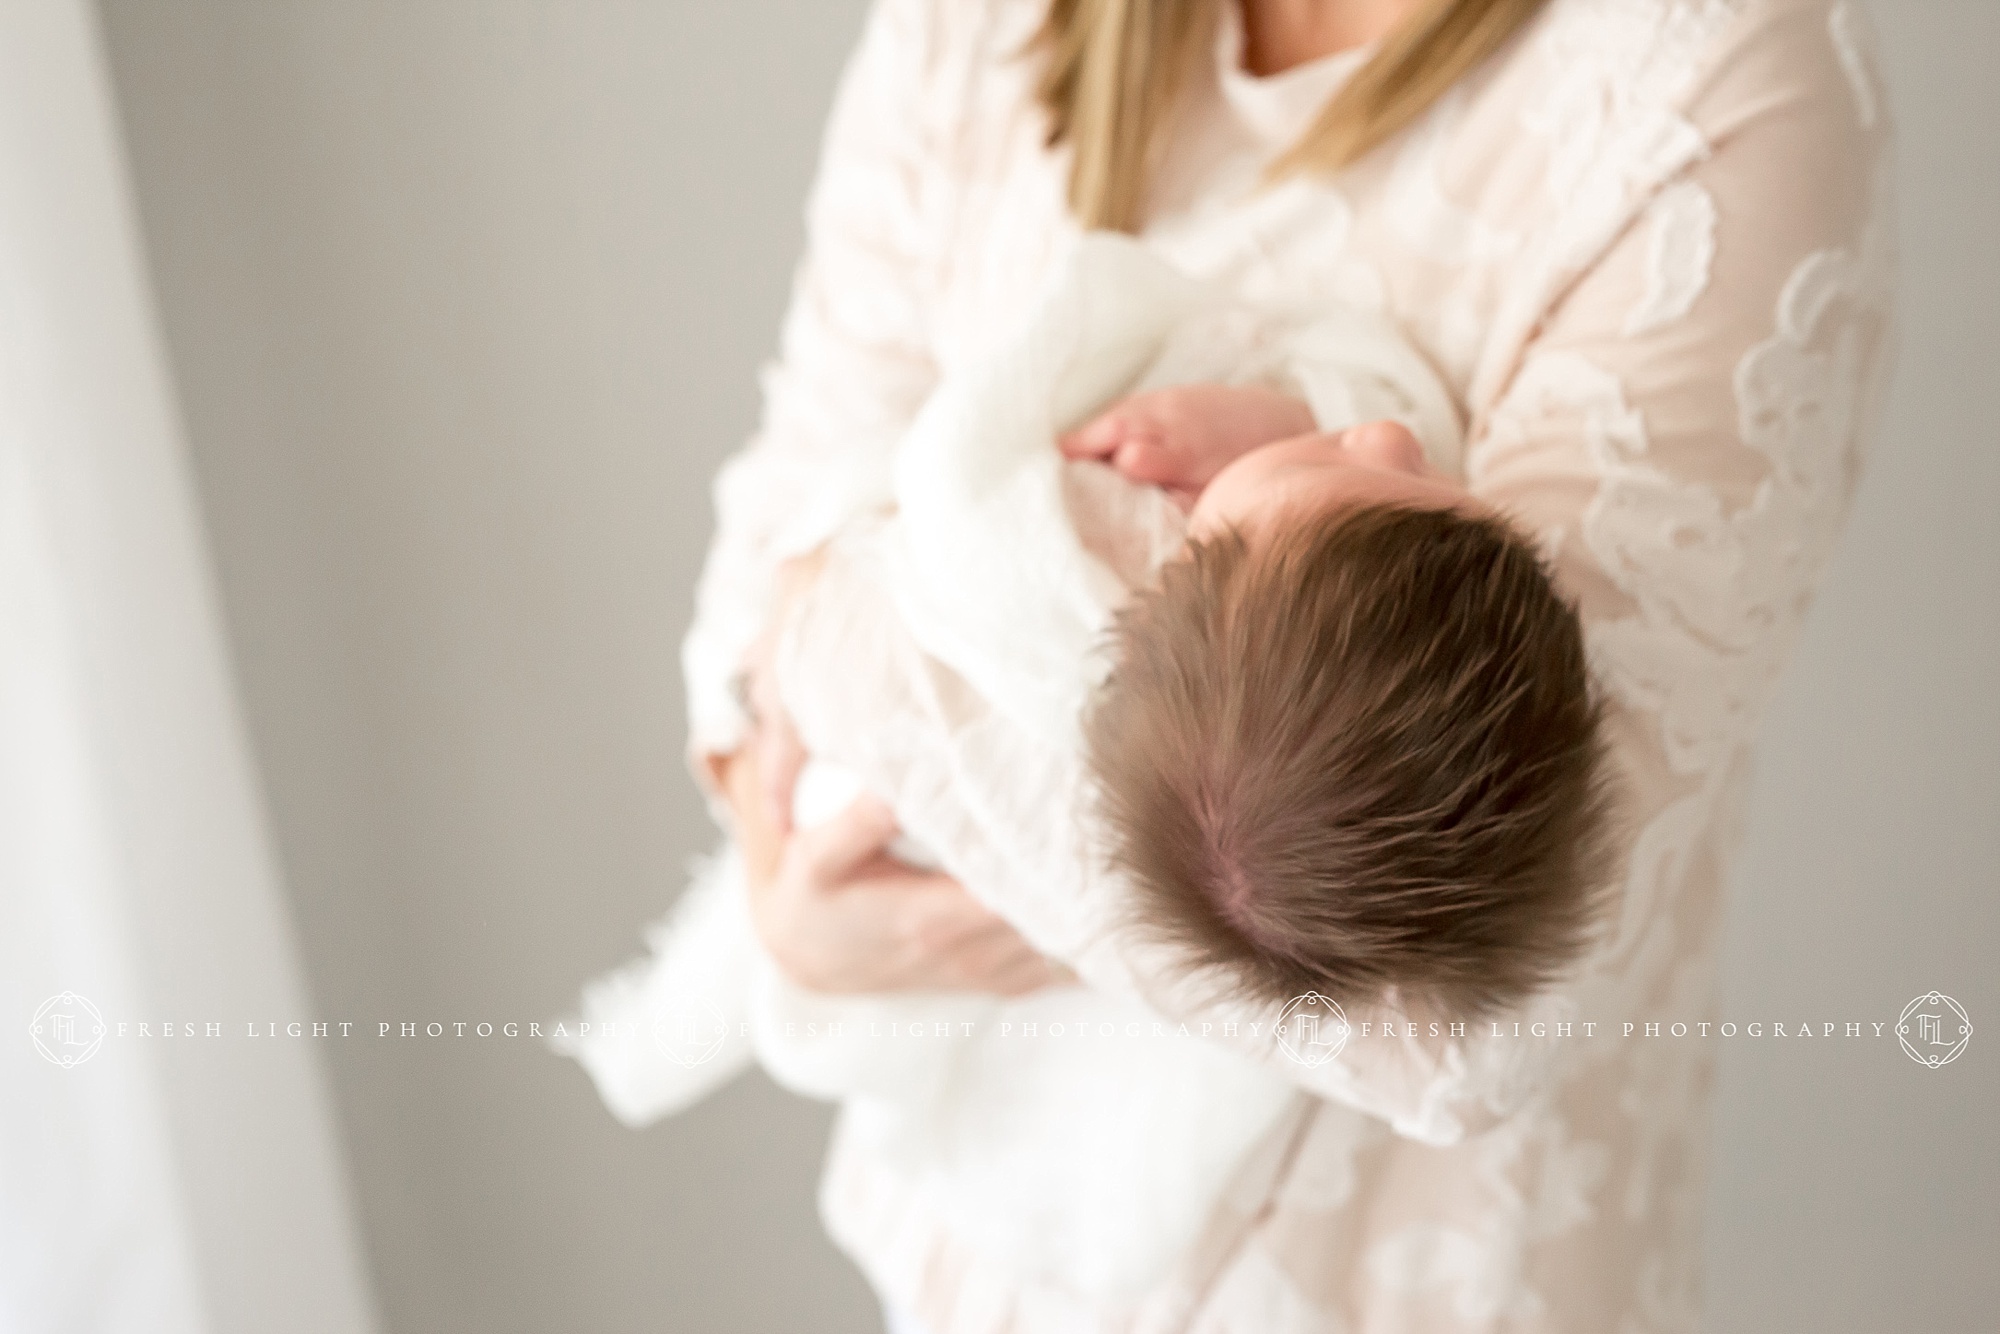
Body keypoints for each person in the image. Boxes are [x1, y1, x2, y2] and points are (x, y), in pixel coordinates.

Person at [629, 0, 1895, 1327]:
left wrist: (851, 648)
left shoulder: (1706, 83)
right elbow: (771, 546)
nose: (1392, 443)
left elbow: (1479, 1012)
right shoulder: (971, 29)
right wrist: (785, 886)